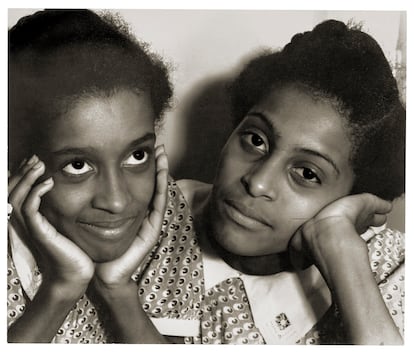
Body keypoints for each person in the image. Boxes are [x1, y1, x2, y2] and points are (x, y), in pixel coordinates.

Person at [134, 19, 405, 344]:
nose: (257, 182)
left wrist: (339, 247)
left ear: (355, 196)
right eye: (256, 140)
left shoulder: (393, 267)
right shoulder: (146, 219)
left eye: (307, 173)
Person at [7, 9, 174, 343]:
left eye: (136, 155)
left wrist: (119, 290)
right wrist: (61, 288)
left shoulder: (167, 218)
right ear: (16, 162)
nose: (116, 201)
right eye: (78, 165)